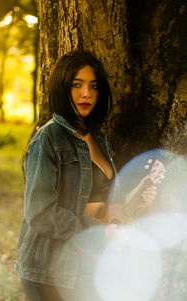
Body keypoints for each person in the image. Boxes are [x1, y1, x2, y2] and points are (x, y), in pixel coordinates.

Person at [15, 50, 159, 301]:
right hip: (51, 270)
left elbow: (101, 199)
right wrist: (97, 231)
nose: (86, 94)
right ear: (62, 88)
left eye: (93, 86)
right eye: (77, 85)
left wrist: (137, 198)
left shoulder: (97, 138)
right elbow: (40, 213)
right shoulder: (48, 139)